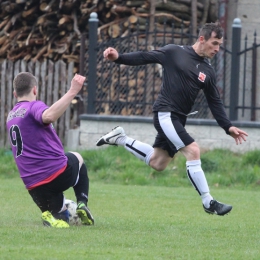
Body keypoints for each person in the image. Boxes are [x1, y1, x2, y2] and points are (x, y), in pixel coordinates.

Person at [96, 22, 248, 216]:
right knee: (193, 150)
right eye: (214, 43)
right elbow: (145, 56)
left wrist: (228, 127)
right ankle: (208, 202)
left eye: (219, 44)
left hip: (178, 119)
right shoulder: (174, 52)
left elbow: (214, 102)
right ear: (202, 39)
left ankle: (120, 138)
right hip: (165, 114)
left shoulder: (208, 71)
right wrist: (118, 57)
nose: (217, 49)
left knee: (158, 163)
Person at [6, 72, 94, 228]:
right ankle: (82, 202)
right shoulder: (34, 105)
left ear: (15, 94)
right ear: (35, 90)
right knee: (77, 157)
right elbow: (48, 116)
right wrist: (72, 91)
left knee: (62, 218)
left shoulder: (11, 116)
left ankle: (51, 216)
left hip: (33, 186)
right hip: (55, 174)